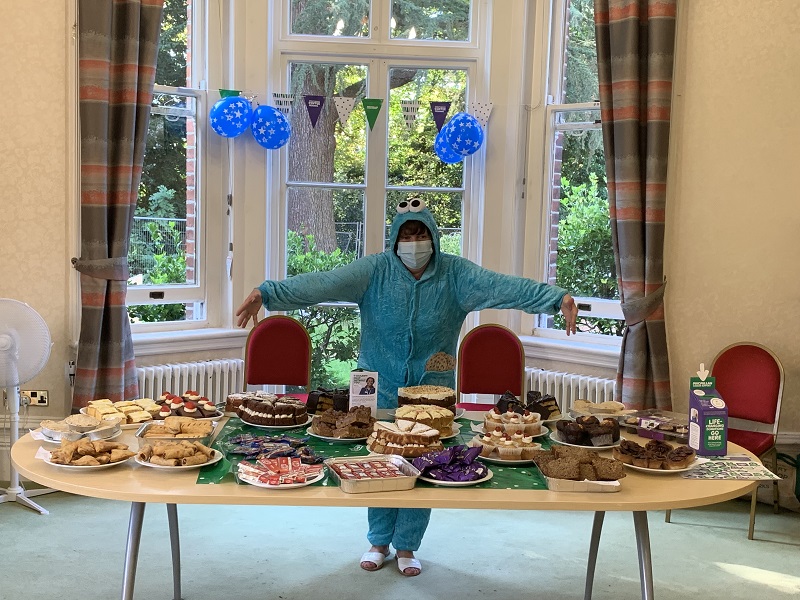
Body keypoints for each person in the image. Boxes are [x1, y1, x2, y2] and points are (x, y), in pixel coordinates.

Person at [236, 198, 578, 577]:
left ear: (433, 237)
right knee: (380, 460)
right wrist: (268, 293)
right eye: (407, 235)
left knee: (423, 462)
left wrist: (556, 298)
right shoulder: (374, 271)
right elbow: (323, 282)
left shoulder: (456, 275)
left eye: (421, 234)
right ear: (395, 239)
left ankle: (407, 545)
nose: (414, 243)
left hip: (434, 390)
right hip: (378, 385)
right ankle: (378, 540)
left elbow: (505, 287)